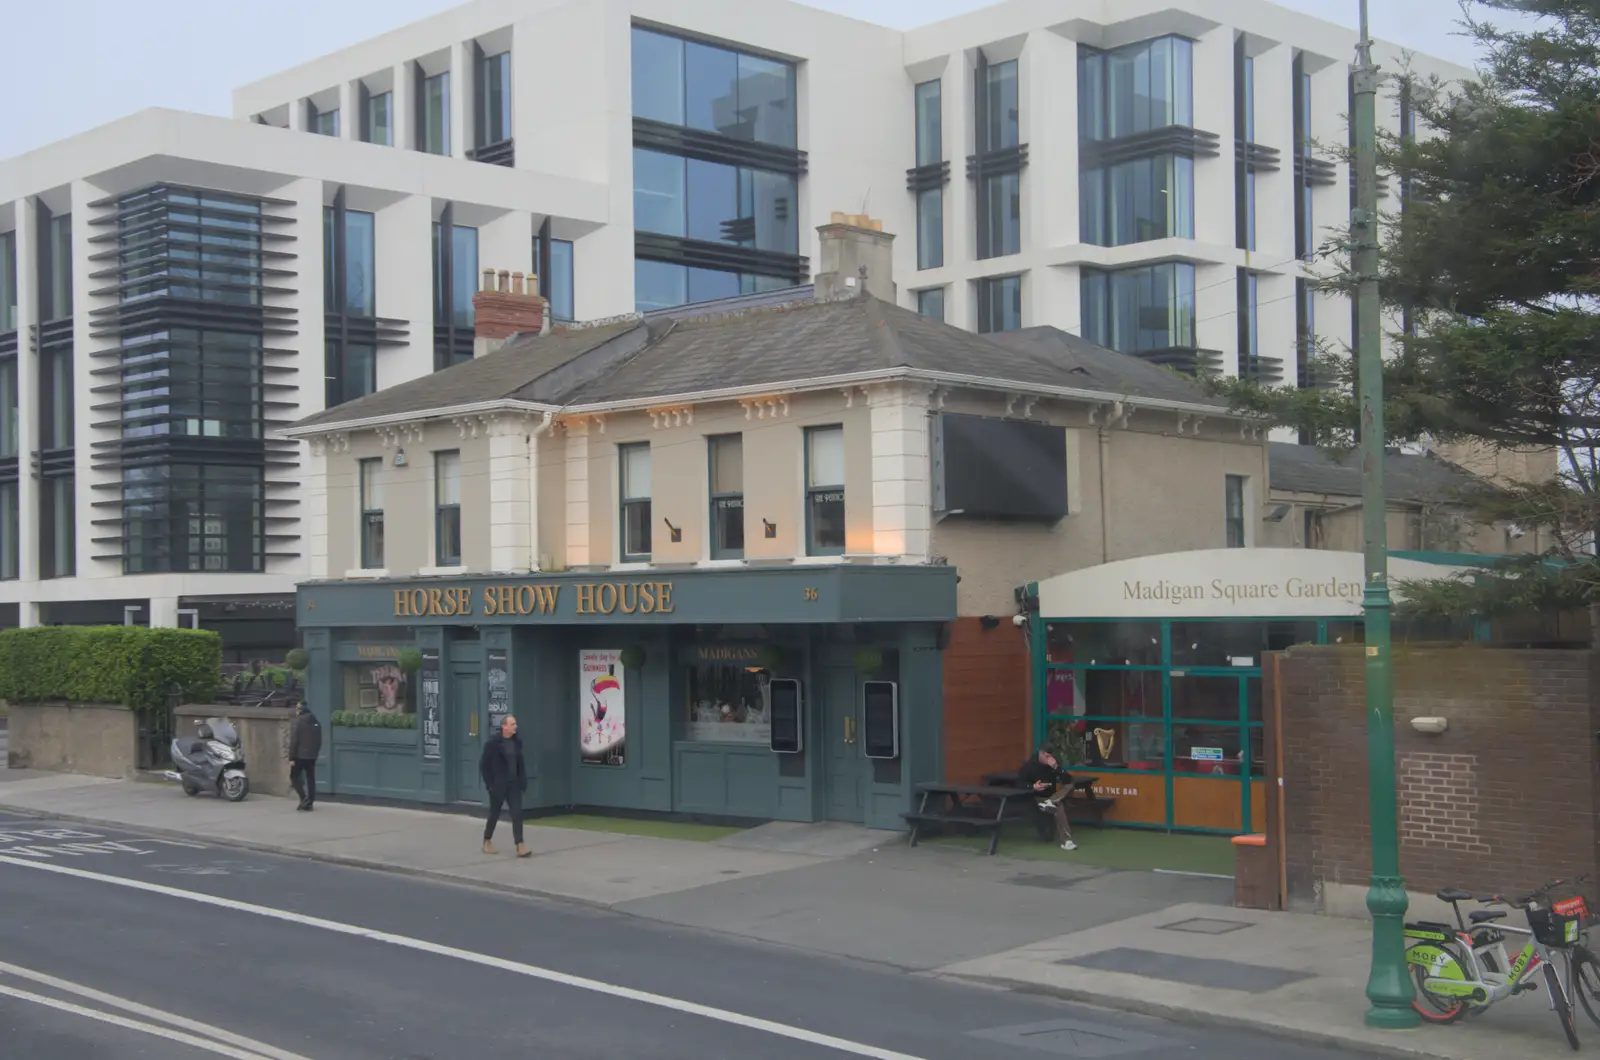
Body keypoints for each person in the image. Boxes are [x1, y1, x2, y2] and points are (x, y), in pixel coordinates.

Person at [479, 715, 531, 858]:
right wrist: (490, 785)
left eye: (515, 724)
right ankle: (487, 841)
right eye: (512, 724)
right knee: (494, 814)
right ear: (504, 726)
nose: (515, 726)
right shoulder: (492, 744)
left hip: (513, 784)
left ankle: (520, 844)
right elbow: (484, 766)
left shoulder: (516, 742)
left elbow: (520, 763)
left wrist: (522, 781)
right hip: (498, 785)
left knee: (517, 813)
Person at [1017, 747, 1076, 851]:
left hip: (1052, 797)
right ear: (1040, 754)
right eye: (1047, 756)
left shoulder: (1053, 764)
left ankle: (1067, 841)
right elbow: (1019, 783)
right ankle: (1066, 840)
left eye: (1051, 756)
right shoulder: (1029, 766)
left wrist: (1056, 767)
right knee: (1058, 809)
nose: (1049, 758)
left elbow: (1068, 780)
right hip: (1037, 798)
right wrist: (1033, 786)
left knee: (1069, 786)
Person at [287, 703, 322, 812]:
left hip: (299, 755)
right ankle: (310, 801)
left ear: (300, 710)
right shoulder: (316, 722)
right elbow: (319, 740)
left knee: (294, 777)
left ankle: (304, 799)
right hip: (311, 755)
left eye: (297, 708)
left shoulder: (297, 722)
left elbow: (294, 741)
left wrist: (291, 757)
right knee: (310, 777)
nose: (296, 710)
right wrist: (315, 753)